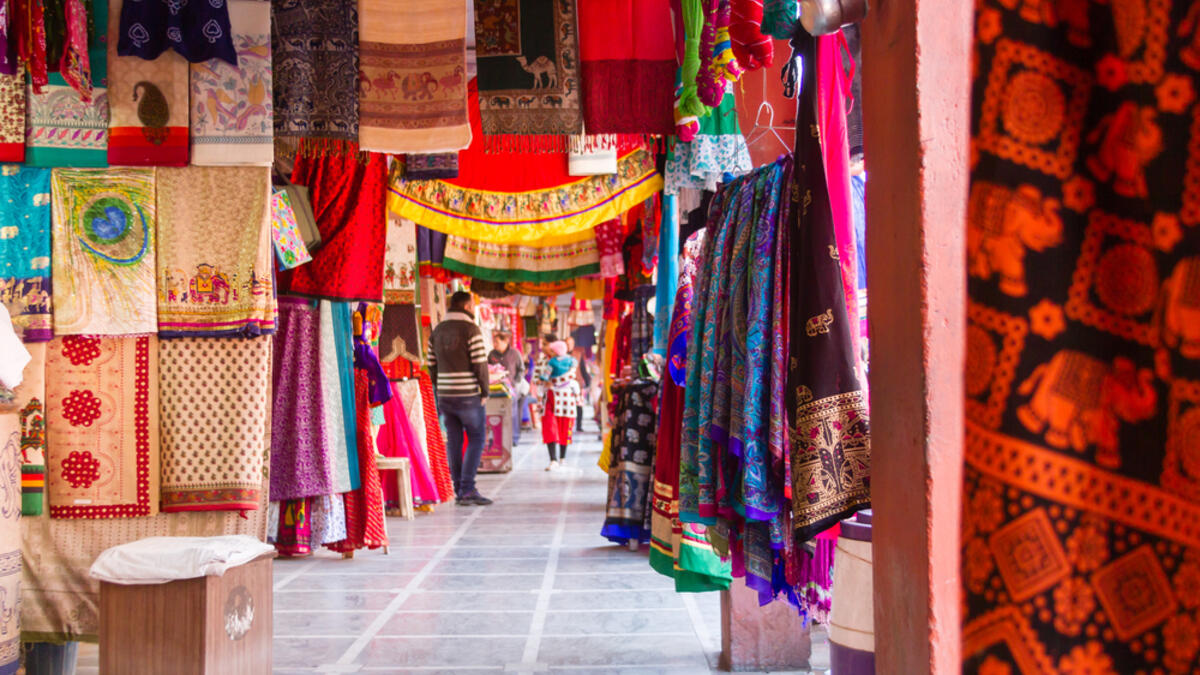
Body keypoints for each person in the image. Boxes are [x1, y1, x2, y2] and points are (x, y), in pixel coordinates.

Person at [427, 291, 493, 506]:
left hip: (446, 394)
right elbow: (480, 364)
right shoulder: (470, 329)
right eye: (472, 305)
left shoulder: (437, 331)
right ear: (466, 306)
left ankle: (458, 489)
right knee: (476, 438)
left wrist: (440, 387)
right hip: (468, 395)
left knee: (454, 441)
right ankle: (467, 488)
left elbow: (432, 364)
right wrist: (485, 391)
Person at [537, 340, 580, 470]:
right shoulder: (572, 361)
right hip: (563, 399)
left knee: (555, 427)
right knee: (560, 426)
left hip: (554, 396)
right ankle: (558, 458)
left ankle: (557, 459)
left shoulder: (551, 362)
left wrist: (544, 382)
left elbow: (543, 377)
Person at [487, 331, 525, 446]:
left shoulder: (515, 353)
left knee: (512, 413)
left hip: (511, 388)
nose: (495, 344)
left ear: (505, 342)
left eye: (497, 342)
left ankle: (514, 438)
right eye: (494, 342)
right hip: (495, 388)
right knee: (497, 413)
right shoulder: (491, 354)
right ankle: (499, 438)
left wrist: (515, 382)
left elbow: (521, 369)